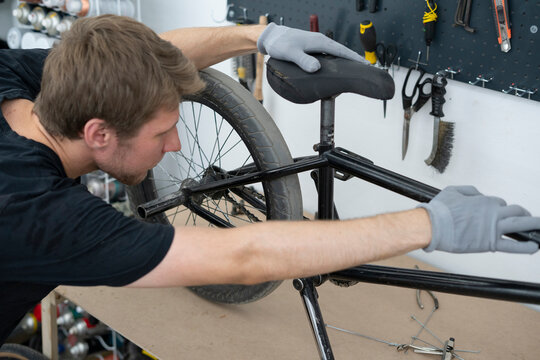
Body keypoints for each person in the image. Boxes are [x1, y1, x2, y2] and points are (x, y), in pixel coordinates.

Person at [0, 15, 538, 346]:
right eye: (163, 131)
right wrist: (428, 224)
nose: (177, 146)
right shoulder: (35, 213)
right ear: (97, 133)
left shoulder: (25, 81)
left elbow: (143, 61)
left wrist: (260, 36)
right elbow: (242, 258)